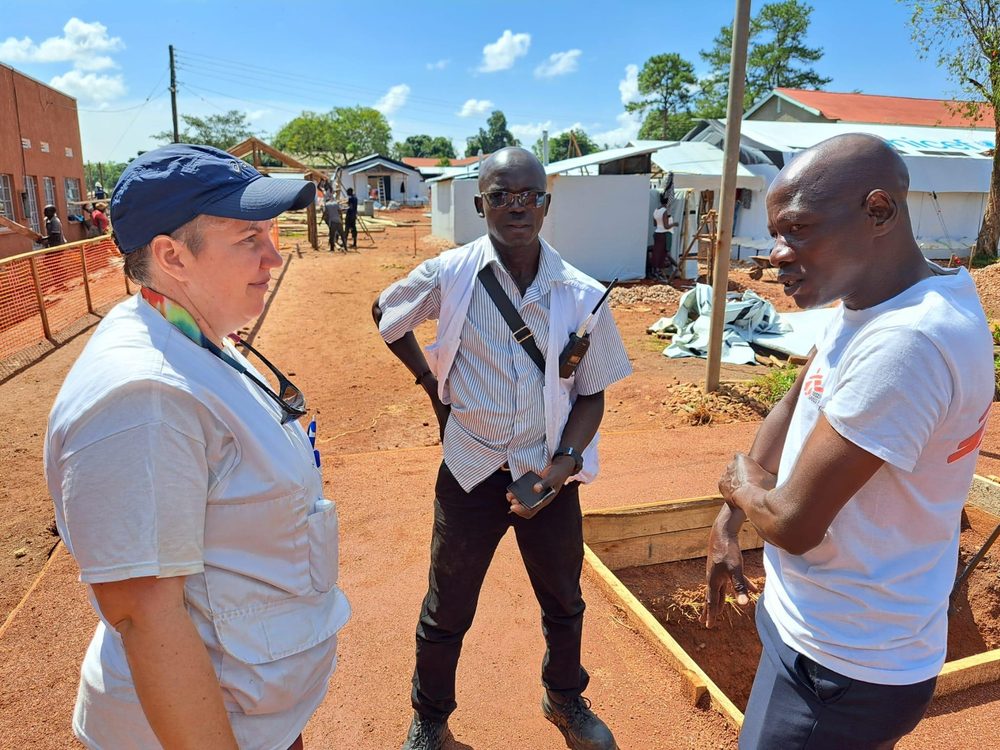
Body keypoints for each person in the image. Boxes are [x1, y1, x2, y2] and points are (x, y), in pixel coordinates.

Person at [45, 144, 350, 750]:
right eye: (247, 239)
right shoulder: (145, 397)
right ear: (171, 256)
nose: (273, 256)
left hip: (255, 714)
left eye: (271, 232)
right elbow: (144, 612)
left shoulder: (195, 336)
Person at [702, 133, 994, 749]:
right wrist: (731, 520)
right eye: (777, 232)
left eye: (799, 230)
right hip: (829, 636)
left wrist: (738, 483)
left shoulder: (907, 343)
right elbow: (795, 399)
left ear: (879, 211)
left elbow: (793, 522)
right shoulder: (872, 305)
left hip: (840, 669)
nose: (777, 254)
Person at [373, 147, 631, 750]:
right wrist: (432, 389)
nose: (516, 206)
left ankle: (565, 698)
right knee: (447, 606)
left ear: (546, 204)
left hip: (547, 473)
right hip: (471, 467)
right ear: (479, 202)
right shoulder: (452, 275)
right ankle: (430, 719)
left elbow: (591, 395)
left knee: (565, 599)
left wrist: (561, 467)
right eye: (501, 195)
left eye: (529, 195)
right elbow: (386, 313)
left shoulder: (582, 294)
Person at [650, 191, 676, 280]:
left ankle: (655, 272)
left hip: (657, 234)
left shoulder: (656, 210)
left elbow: (654, 224)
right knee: (662, 254)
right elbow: (666, 226)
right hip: (663, 235)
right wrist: (674, 224)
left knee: (656, 253)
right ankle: (659, 272)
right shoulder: (664, 211)